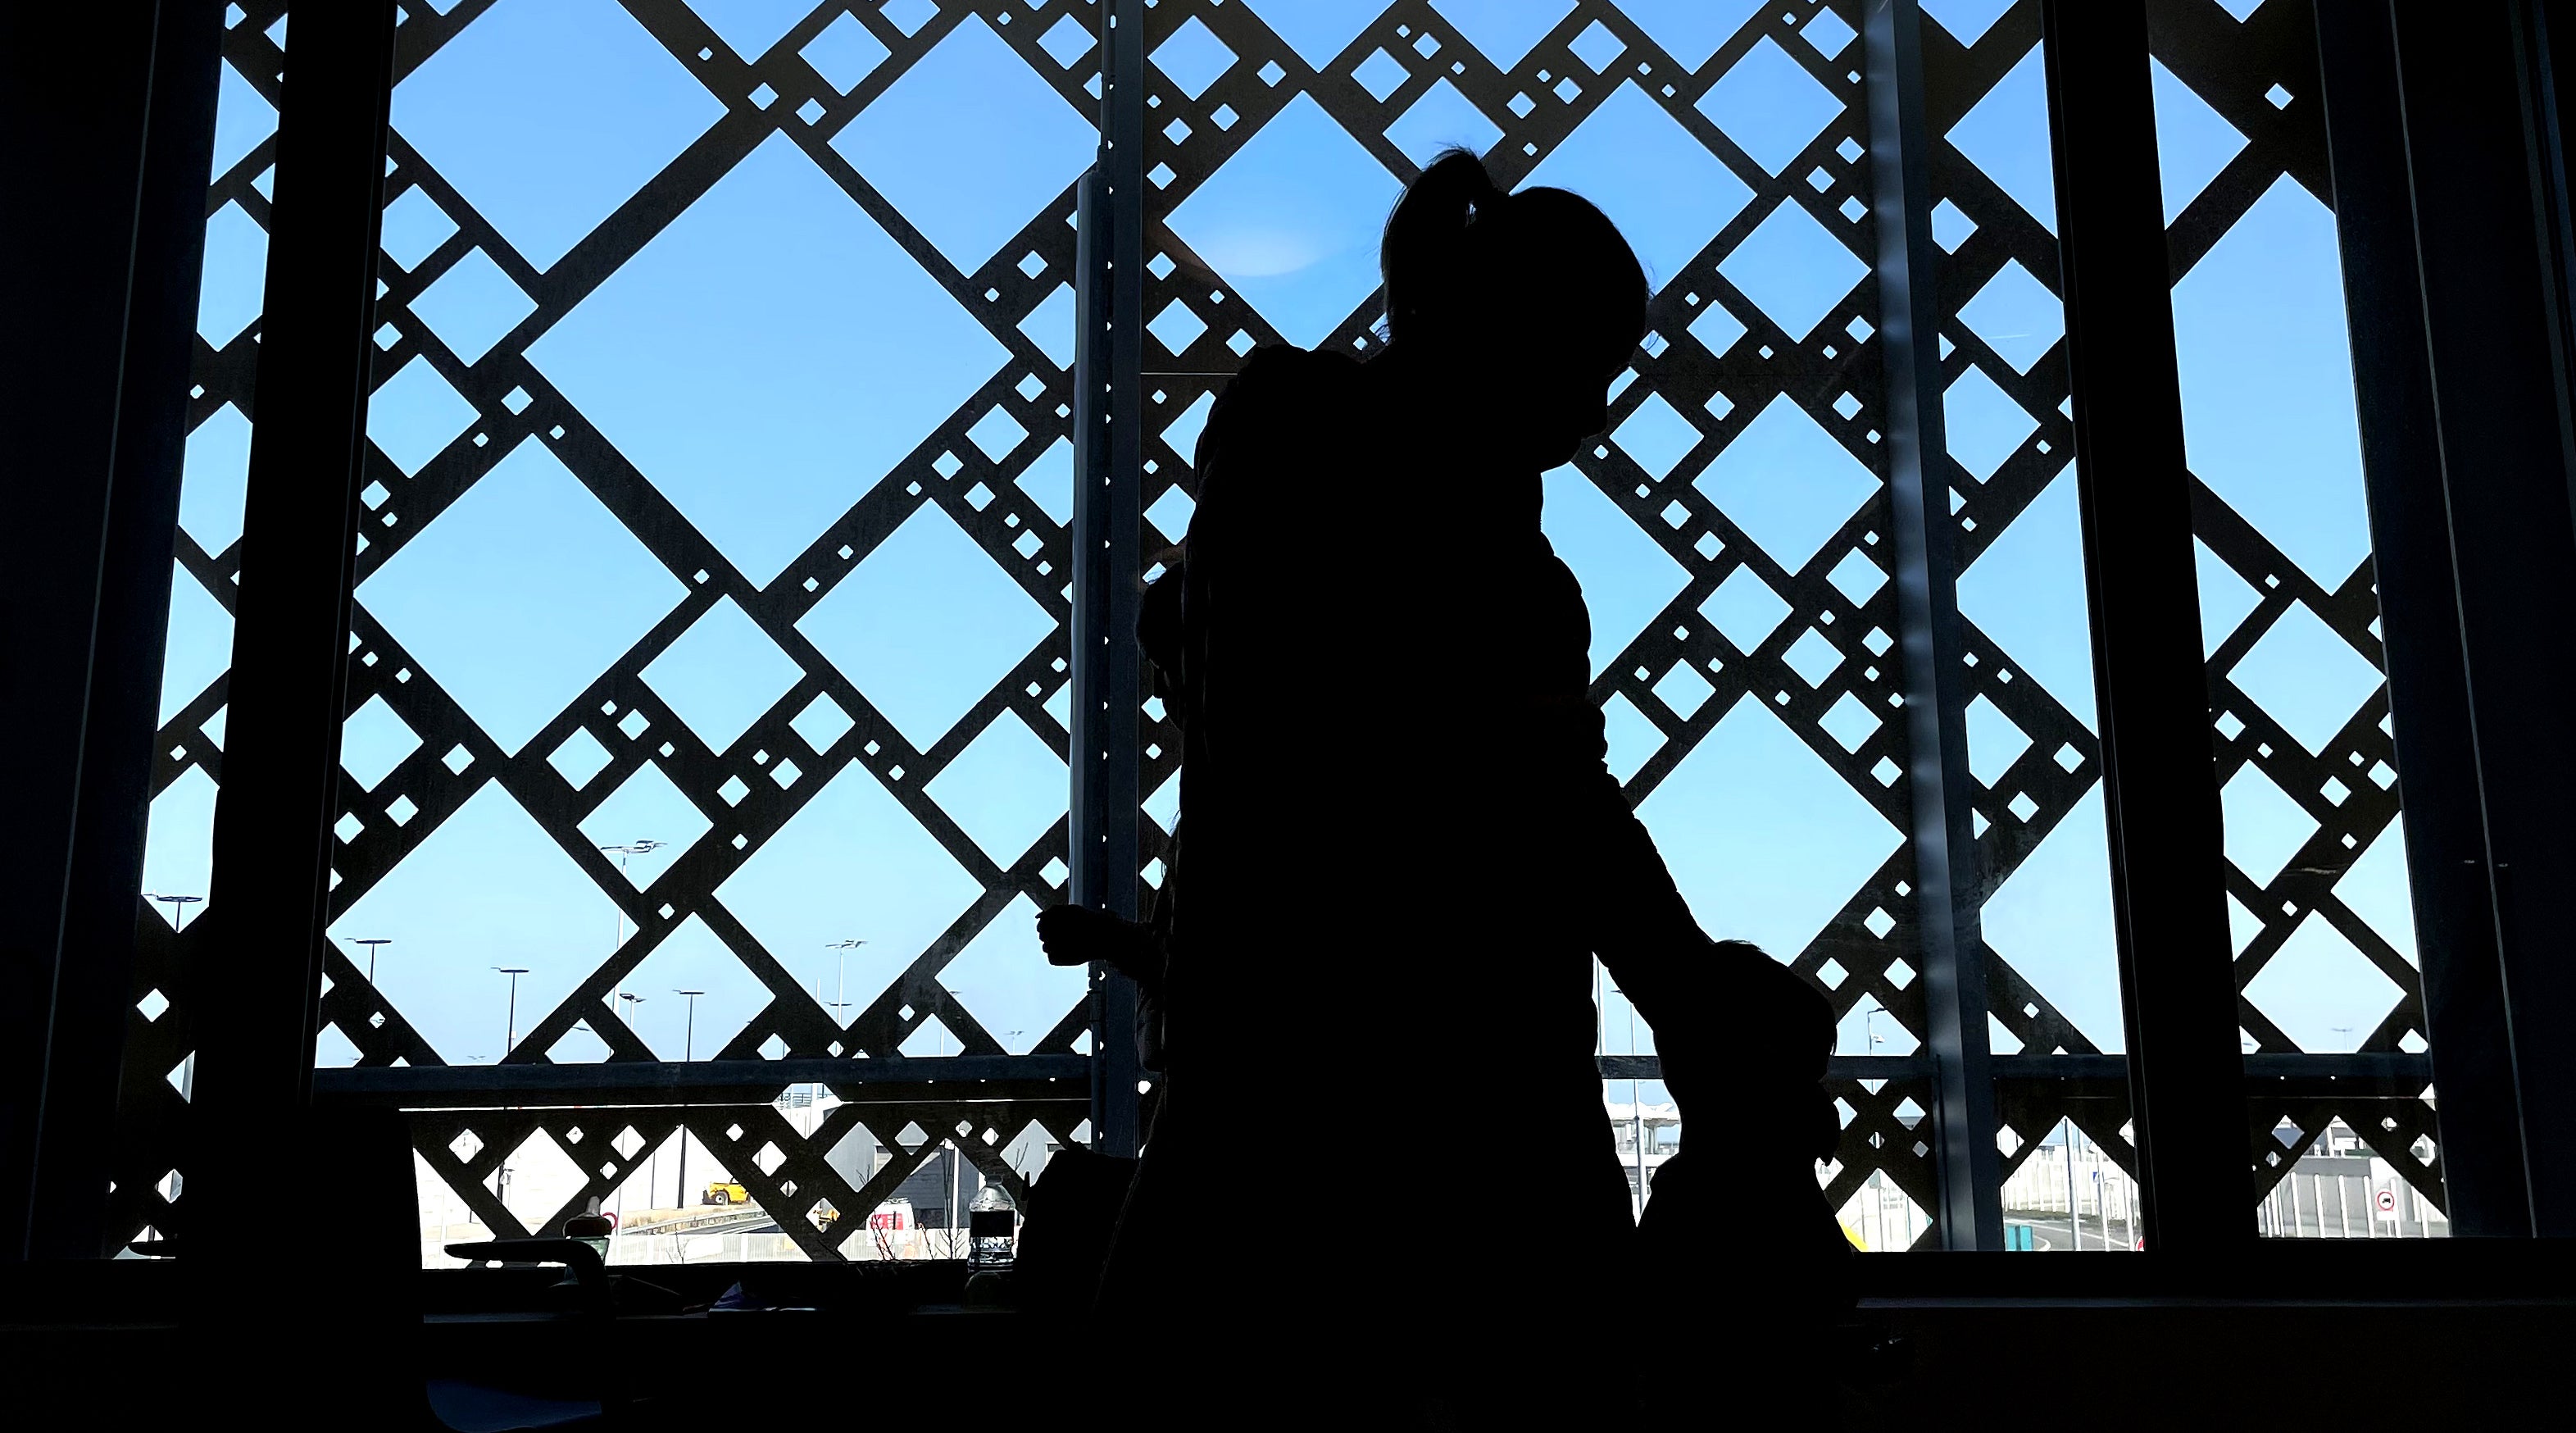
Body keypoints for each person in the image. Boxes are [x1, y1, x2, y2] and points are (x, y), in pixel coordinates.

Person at [1042, 149, 1844, 1429]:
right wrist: (1689, 999)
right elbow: (1554, 806)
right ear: (1508, 338)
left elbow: (1216, 673)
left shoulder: (1288, 441)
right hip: (1467, 1089)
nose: (1594, 412)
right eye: (1588, 370)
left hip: (1264, 1061)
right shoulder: (1482, 551)